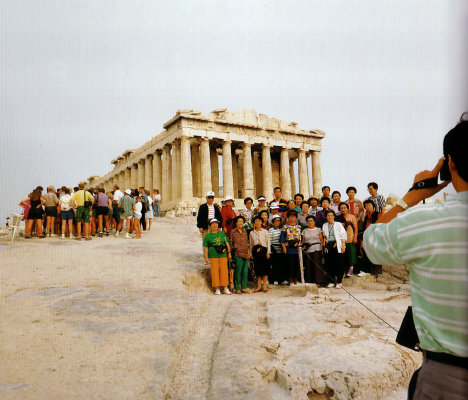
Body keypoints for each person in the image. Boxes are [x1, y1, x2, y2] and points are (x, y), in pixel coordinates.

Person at [363, 113, 467, 400]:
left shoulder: (425, 220)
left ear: (450, 164)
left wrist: (411, 196)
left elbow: (371, 243)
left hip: (447, 378)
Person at [203, 218, 232, 295]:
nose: (215, 225)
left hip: (222, 253)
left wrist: (229, 253)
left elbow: (227, 243)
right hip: (213, 255)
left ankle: (225, 287)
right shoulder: (208, 236)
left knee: (224, 270)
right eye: (213, 224)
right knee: (214, 271)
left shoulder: (222, 233)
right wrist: (206, 257)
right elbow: (206, 247)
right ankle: (217, 288)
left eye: (216, 223)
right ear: (210, 225)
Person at [322, 210, 347, 288]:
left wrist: (343, 245)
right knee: (329, 264)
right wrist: (324, 241)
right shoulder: (324, 225)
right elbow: (324, 235)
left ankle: (339, 281)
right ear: (326, 217)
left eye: (331, 215)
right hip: (329, 246)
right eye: (328, 215)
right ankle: (331, 281)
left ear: (334, 216)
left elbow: (343, 235)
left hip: (338, 246)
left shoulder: (338, 224)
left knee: (339, 264)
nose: (330, 217)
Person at [249, 215, 271, 293]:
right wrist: (250, 254)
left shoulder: (265, 231)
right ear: (254, 223)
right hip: (256, 252)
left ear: (261, 222)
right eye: (256, 221)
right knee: (257, 269)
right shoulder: (251, 233)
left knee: (265, 269)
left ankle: (264, 286)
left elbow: (268, 242)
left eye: (259, 221)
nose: (257, 223)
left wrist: (268, 252)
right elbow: (251, 244)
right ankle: (258, 286)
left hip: (263, 251)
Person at [301, 215, 325, 286]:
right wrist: (302, 250)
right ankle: (309, 281)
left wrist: (322, 250)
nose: (310, 222)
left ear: (314, 222)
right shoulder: (304, 231)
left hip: (317, 248)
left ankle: (319, 281)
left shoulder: (318, 230)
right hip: (308, 249)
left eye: (311, 221)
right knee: (308, 265)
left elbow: (321, 240)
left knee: (317, 265)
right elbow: (303, 241)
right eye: (308, 221)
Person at [280, 210, 302, 286]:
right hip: (289, 248)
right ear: (288, 217)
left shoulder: (299, 227)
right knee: (290, 264)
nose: (292, 218)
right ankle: (291, 279)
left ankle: (296, 279)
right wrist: (284, 247)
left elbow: (301, 238)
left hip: (297, 249)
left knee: (297, 264)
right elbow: (282, 239)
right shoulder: (285, 227)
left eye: (293, 216)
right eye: (290, 216)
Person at [230, 216, 250, 294]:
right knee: (238, 271)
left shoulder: (245, 232)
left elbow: (246, 243)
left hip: (245, 253)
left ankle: (244, 287)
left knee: (245, 271)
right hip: (237, 253)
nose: (241, 223)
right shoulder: (233, 232)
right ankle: (237, 288)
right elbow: (231, 243)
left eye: (242, 221)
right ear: (236, 222)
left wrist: (248, 253)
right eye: (239, 221)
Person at [338, 202, 358, 277]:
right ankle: (344, 269)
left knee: (351, 253)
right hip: (341, 239)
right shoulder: (338, 218)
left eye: (344, 208)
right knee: (343, 255)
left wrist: (355, 237)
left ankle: (351, 268)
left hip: (350, 237)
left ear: (347, 208)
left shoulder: (352, 217)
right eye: (341, 208)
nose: (343, 209)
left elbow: (355, 228)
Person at [269, 215, 285, 285]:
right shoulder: (271, 230)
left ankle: (281, 279)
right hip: (274, 250)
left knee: (281, 265)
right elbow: (269, 241)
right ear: (273, 222)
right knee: (275, 265)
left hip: (281, 250)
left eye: (278, 221)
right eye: (276, 221)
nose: (277, 222)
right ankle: (275, 279)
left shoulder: (282, 230)